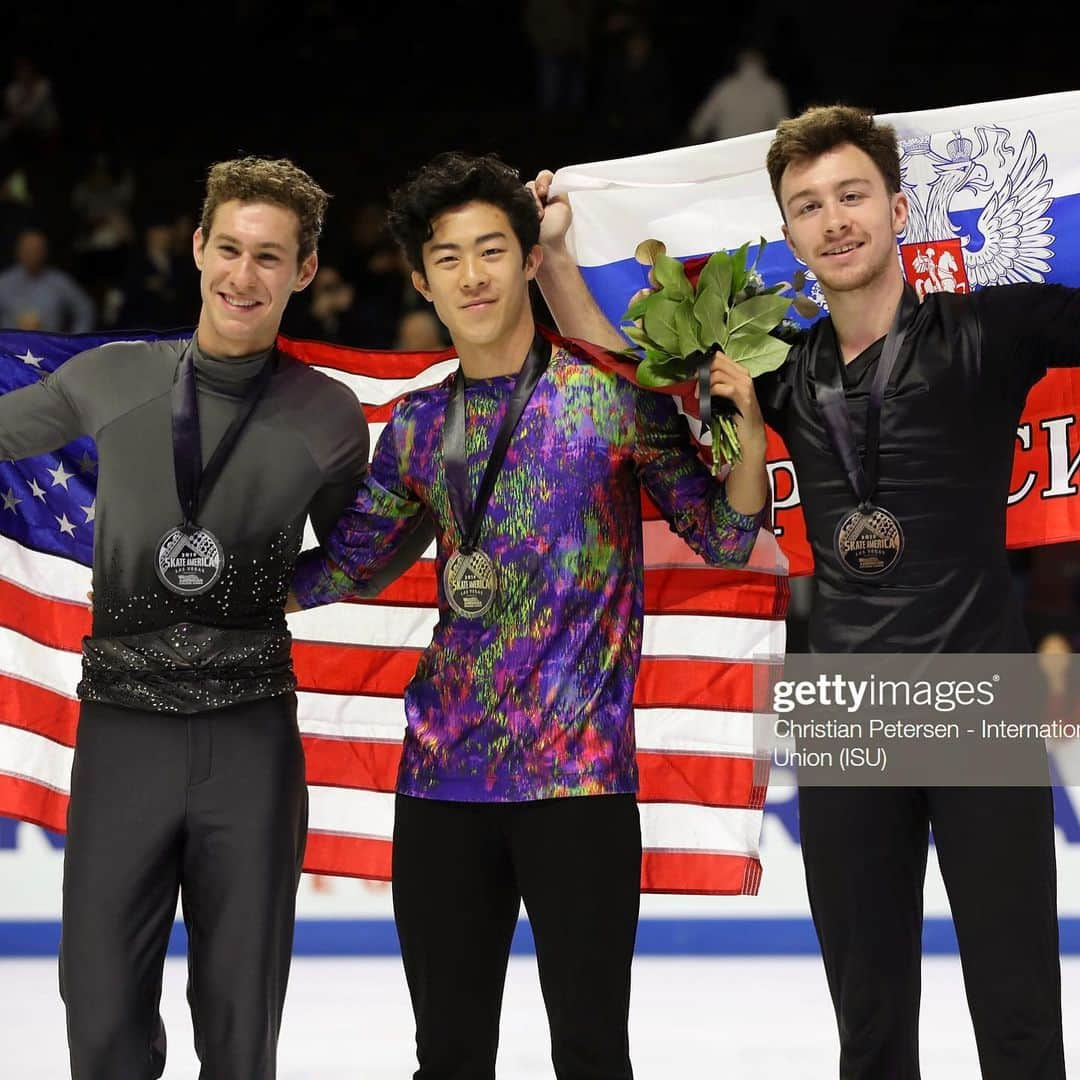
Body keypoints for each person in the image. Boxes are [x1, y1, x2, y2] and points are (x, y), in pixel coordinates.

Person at [530, 102, 1075, 1079]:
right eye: (809, 205)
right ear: (787, 234)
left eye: (852, 195)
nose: (835, 219)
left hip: (978, 694)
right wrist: (561, 260)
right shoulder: (779, 363)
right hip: (841, 707)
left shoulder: (992, 328)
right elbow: (626, 372)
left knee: (1021, 1014)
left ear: (899, 207)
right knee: (867, 1029)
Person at [287, 150, 769, 1080]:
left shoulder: (613, 398)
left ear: (529, 263)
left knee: (591, 1056)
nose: (474, 275)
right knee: (449, 1059)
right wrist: (224, 589)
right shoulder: (421, 427)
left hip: (579, 788)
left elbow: (723, 534)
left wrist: (741, 426)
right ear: (423, 280)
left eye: (493, 250)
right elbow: (346, 561)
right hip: (441, 785)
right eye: (450, 257)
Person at [0, 155, 427, 1078]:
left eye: (269, 257)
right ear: (197, 247)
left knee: (240, 1035)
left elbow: (366, 551)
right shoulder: (113, 377)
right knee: (102, 1025)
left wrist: (297, 587)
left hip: (250, 746)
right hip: (122, 734)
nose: (243, 275)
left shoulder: (327, 415)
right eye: (228, 248)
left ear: (305, 270)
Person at [686, 46, 790, 143]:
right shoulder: (773, 89)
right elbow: (784, 130)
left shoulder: (725, 87)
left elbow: (698, 127)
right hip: (759, 155)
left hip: (726, 155)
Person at [0, 227, 95, 332]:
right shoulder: (3, 282)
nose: (32, 255)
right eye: (27, 250)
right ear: (18, 252)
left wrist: (73, 343)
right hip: (11, 346)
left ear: (45, 252)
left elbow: (85, 309)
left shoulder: (60, 282)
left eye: (36, 250)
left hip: (49, 345)